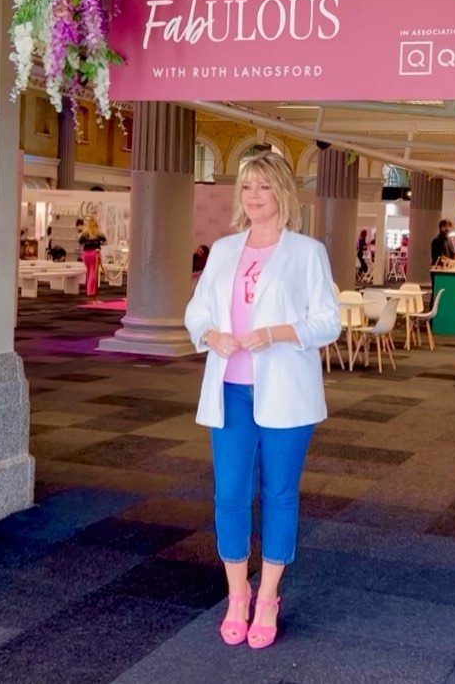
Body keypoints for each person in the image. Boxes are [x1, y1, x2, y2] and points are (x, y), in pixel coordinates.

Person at [184, 151, 340, 650]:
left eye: (263, 187)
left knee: (279, 494)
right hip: (230, 389)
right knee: (229, 494)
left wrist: (277, 333)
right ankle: (237, 594)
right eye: (247, 187)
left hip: (286, 392)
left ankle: (268, 596)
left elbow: (328, 322)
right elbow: (196, 311)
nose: (253, 196)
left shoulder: (307, 252)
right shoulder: (224, 250)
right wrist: (210, 333)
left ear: (282, 193)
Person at [78, 216, 106, 298]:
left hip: (86, 254)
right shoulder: (99, 233)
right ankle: (90, 290)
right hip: (95, 253)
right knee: (93, 272)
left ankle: (88, 288)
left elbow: (80, 242)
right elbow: (105, 242)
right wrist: (98, 243)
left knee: (88, 271)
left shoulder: (85, 233)